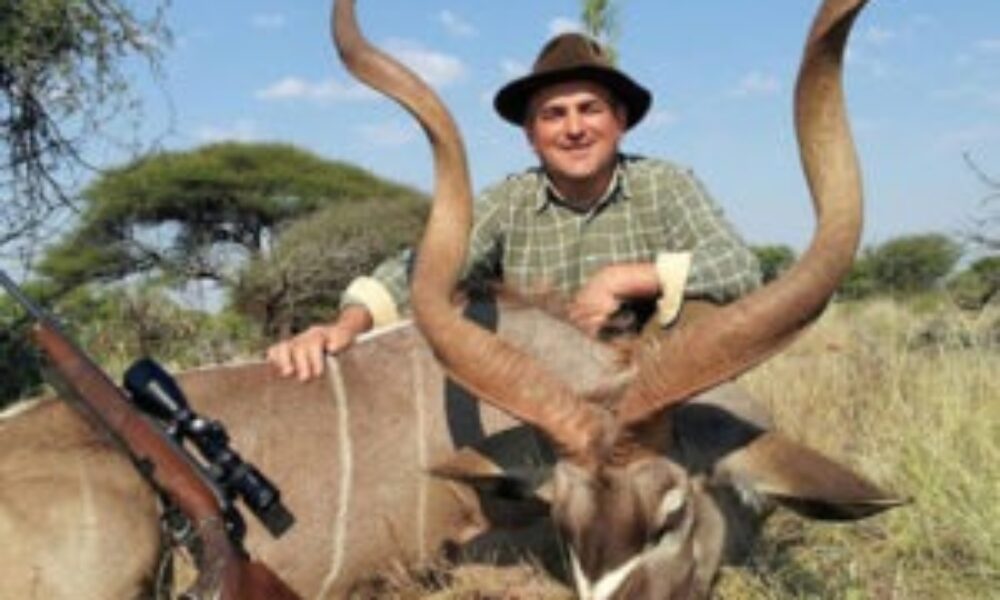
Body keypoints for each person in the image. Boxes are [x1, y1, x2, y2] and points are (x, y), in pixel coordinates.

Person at [267, 32, 761, 381]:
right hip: (548, 398)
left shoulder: (665, 184)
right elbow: (423, 269)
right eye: (554, 115)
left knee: (701, 316)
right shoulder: (509, 200)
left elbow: (739, 267)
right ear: (531, 136)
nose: (574, 128)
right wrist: (345, 326)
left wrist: (625, 279)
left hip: (648, 394)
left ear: (620, 122)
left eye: (589, 109)